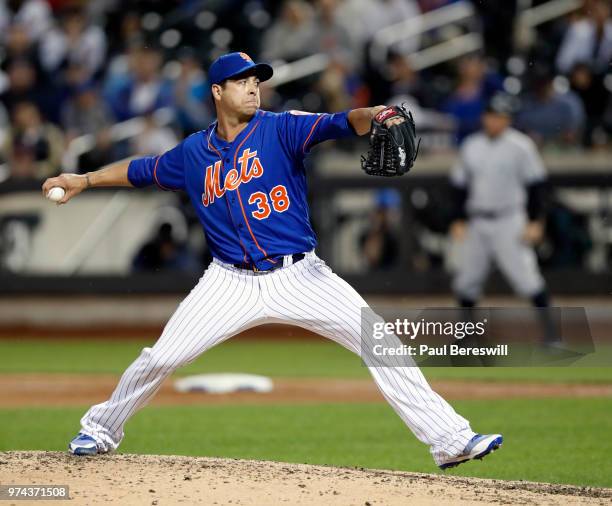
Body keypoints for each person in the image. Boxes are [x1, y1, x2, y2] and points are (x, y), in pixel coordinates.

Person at [43, 51, 501, 470]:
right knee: (160, 357)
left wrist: (377, 113)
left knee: (380, 343)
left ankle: (451, 440)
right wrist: (84, 179)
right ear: (217, 92)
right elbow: (141, 170)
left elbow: (341, 122)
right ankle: (100, 430)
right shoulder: (193, 154)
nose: (253, 87)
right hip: (229, 283)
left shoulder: (282, 128)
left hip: (302, 274)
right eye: (241, 81)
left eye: (256, 80)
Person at [449, 92, 556, 336]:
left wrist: (536, 221)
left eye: (500, 116)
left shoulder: (521, 145)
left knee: (527, 280)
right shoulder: (471, 145)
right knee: (466, 281)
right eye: (490, 115)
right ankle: (465, 339)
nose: (494, 121)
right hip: (477, 220)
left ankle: (552, 335)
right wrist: (457, 219)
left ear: (508, 119)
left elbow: (537, 186)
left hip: (510, 219)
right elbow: (459, 187)